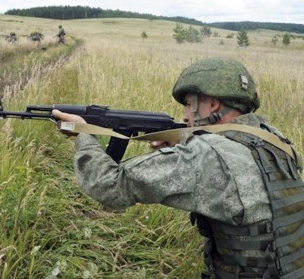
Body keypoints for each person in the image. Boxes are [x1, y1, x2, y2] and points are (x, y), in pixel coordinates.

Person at [52, 57, 304, 278]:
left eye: (188, 104)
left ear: (213, 105)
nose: (184, 116)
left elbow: (107, 185)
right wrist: (183, 137)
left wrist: (83, 134)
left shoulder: (203, 155)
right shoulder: (273, 138)